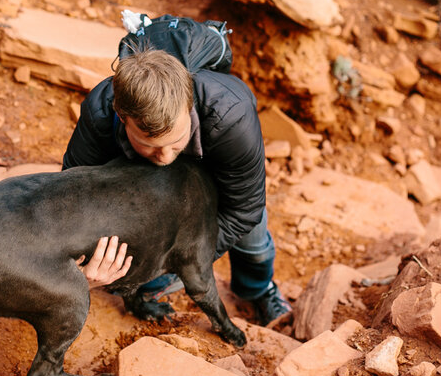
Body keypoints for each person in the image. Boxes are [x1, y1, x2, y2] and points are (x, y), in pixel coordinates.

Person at [63, 48, 292, 326]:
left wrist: (182, 260)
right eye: (150, 145)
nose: (166, 156)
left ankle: (258, 289)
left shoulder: (232, 116)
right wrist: (87, 264)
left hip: (215, 171)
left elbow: (244, 209)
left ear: (189, 105)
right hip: (149, 189)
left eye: (176, 142)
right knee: (147, 283)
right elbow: (73, 198)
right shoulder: (99, 113)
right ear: (122, 118)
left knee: (253, 244)